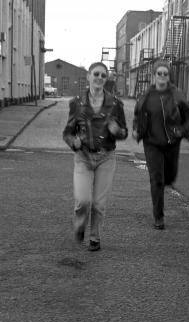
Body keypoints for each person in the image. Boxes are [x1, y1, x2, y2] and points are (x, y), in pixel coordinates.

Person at [63, 62, 128, 251]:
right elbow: (67, 132)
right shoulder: (76, 103)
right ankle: (80, 224)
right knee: (83, 201)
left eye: (103, 75)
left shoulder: (116, 104)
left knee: (99, 204)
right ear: (89, 77)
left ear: (106, 80)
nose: (99, 78)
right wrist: (72, 141)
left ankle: (95, 237)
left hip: (106, 158)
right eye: (96, 74)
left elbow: (124, 132)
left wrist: (118, 131)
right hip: (83, 157)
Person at [132, 60, 189, 230]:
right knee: (156, 179)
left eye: (165, 74)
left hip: (172, 142)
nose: (162, 76)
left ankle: (168, 180)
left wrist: (182, 131)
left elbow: (188, 117)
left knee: (170, 176)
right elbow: (137, 116)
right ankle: (158, 216)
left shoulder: (177, 94)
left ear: (169, 76)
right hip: (151, 142)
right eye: (159, 73)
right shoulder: (145, 95)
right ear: (154, 76)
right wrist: (136, 129)